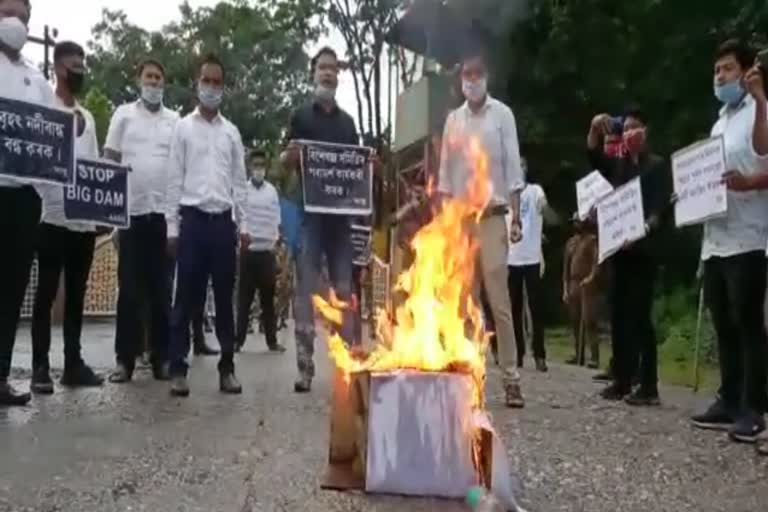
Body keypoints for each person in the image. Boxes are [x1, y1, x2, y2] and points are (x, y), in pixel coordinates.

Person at [437, 47, 525, 408]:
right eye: (466, 75)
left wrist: (516, 217)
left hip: (492, 218)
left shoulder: (502, 115)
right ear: (460, 81)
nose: (471, 81)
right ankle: (472, 376)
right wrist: (445, 226)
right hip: (461, 221)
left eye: (477, 74)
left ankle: (511, 378)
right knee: (465, 301)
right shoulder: (453, 121)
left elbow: (513, 170)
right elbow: (444, 174)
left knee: (499, 302)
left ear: (486, 77)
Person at [690, 40, 768, 444]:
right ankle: (730, 399)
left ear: (747, 71)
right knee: (724, 323)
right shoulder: (719, 121)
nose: (720, 77)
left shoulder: (760, 109)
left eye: (728, 70)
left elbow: (764, 157)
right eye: (717, 70)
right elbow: (708, 174)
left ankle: (755, 407)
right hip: (716, 237)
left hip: (749, 236)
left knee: (748, 323)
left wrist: (748, 182)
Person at [166, 53, 247, 397]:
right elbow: (173, 179)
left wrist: (242, 226)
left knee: (224, 299)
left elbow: (239, 182)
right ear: (197, 84)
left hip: (222, 225)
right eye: (207, 81)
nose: (211, 87)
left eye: (217, 82)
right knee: (185, 297)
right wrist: (172, 228)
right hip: (193, 224)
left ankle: (226, 368)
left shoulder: (231, 133)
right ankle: (178, 369)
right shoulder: (183, 128)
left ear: (223, 87)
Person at [280, 47, 360, 393]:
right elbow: (284, 159)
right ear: (312, 74)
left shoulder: (347, 124)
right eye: (322, 68)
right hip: (310, 219)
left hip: (341, 222)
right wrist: (290, 156)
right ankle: (304, 367)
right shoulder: (300, 117)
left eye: (332, 69)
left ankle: (345, 364)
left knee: (344, 290)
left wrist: (367, 167)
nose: (327, 74)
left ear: (338, 76)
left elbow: (356, 168)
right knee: (306, 291)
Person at [29, 41, 103, 394]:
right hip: (51, 216)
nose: (80, 72)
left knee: (77, 294)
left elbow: (93, 166)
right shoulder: (44, 109)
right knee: (45, 294)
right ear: (59, 68)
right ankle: (40, 366)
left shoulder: (88, 118)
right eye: (75, 66)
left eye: (83, 66)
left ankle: (73, 363)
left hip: (83, 222)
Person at [587, 106, 671, 406]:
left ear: (646, 131)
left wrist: (644, 229)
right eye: (627, 129)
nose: (631, 134)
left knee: (640, 316)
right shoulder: (620, 166)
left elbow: (661, 207)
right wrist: (596, 129)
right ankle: (622, 379)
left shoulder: (657, 166)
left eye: (636, 127)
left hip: (643, 252)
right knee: (619, 314)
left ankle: (648, 385)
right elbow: (595, 156)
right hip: (619, 252)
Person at [104, 57, 180, 383]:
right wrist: (110, 218)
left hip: (163, 218)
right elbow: (110, 161)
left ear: (164, 84)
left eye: (158, 78)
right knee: (130, 291)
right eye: (148, 77)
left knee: (163, 290)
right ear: (139, 80)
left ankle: (162, 357)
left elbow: (180, 168)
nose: (153, 83)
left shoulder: (176, 121)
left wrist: (178, 222)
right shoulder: (123, 115)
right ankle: (125, 360)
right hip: (130, 216)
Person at [0, 0, 57, 406]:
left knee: (11, 290)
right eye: (6, 13)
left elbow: (52, 142)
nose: (14, 22)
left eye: (21, 15)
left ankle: (0, 376)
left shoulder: (38, 82)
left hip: (23, 197)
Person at [236, 149, 286, 354]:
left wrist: (277, 243)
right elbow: (238, 217)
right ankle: (237, 342)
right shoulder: (242, 191)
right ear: (249, 167)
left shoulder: (272, 192)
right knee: (243, 301)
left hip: (266, 252)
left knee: (268, 301)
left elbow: (276, 219)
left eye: (261, 166)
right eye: (255, 165)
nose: (259, 169)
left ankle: (272, 341)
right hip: (248, 253)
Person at [506, 159, 548, 372]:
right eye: (517, 166)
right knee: (514, 309)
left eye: (523, 166)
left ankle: (539, 354)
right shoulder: (506, 195)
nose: (520, 170)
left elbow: (543, 204)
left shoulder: (534, 191)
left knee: (536, 308)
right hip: (512, 259)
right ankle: (519, 353)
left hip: (531, 258)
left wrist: (543, 206)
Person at [562, 216, 601, 369]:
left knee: (589, 319)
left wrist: (591, 277)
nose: (576, 223)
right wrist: (565, 288)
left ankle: (594, 356)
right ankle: (578, 353)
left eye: (578, 220)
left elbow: (595, 261)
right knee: (575, 319)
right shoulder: (571, 243)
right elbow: (565, 267)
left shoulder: (592, 241)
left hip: (586, 284)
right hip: (573, 283)